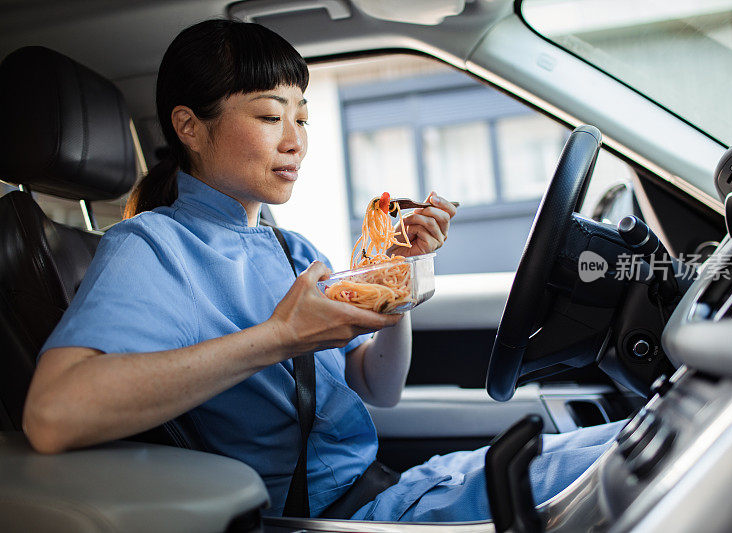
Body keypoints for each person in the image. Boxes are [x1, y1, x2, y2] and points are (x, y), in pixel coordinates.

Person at [23, 19, 623, 523]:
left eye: (303, 119)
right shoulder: (150, 245)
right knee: (635, 465)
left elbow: (376, 388)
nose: (296, 142)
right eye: (269, 117)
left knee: (629, 443)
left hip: (390, 491)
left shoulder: (291, 249)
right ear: (189, 127)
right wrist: (277, 337)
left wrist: (398, 278)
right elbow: (55, 414)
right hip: (328, 520)